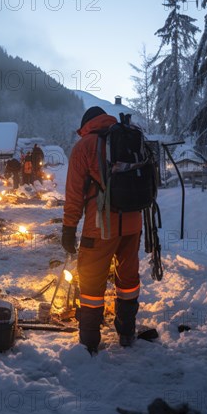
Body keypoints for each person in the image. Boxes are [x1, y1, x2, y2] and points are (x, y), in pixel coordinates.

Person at [62, 106, 142, 354]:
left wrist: (68, 227)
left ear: (86, 125)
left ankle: (89, 342)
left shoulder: (85, 146)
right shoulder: (130, 138)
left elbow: (75, 194)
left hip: (101, 225)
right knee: (128, 279)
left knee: (91, 283)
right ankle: (127, 332)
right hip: (133, 221)